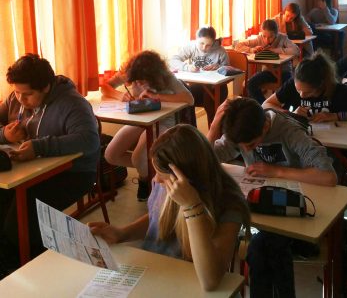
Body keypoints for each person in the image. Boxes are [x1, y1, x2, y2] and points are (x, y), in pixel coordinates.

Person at [89, 124, 251, 291]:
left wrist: (192, 207)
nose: (157, 179)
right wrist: (122, 233)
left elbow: (210, 280)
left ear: (185, 177)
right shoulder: (167, 184)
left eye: (161, 174)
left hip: (187, 285)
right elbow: (157, 218)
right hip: (155, 274)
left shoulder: (230, 203)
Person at [207, 97, 337, 297]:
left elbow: (329, 177)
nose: (247, 150)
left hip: (298, 211)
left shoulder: (289, 131)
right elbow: (206, 160)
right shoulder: (241, 131)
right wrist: (216, 123)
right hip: (264, 211)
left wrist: (277, 171)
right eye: (244, 147)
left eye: (251, 144)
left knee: (261, 249)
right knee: (261, 246)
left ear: (266, 125)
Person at [0, 54, 100, 268]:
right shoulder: (15, 96)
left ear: (46, 87)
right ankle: (10, 257)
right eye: (16, 92)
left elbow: (89, 140)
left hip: (73, 173)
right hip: (26, 172)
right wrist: (5, 136)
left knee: (26, 210)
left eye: (27, 94)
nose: (20, 99)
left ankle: (28, 264)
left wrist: (39, 147)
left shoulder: (72, 103)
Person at [104, 50, 194, 201]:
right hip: (140, 118)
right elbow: (105, 87)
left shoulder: (165, 76)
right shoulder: (131, 71)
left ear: (153, 77)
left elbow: (189, 99)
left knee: (138, 157)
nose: (138, 84)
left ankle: (145, 179)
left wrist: (156, 96)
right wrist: (120, 95)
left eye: (142, 81)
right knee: (111, 155)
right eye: (135, 81)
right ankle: (150, 171)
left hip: (163, 120)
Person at [263, 51, 347, 122]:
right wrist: (290, 114)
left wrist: (335, 116)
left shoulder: (337, 90)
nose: (302, 95)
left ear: (321, 85)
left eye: (308, 92)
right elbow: (266, 105)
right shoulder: (292, 84)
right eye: (298, 90)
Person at [169, 26, 229, 126]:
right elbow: (173, 60)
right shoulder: (191, 47)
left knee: (208, 99)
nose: (204, 48)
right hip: (198, 86)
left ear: (213, 42)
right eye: (201, 43)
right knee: (184, 98)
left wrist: (219, 67)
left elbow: (228, 69)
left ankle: (213, 131)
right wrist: (187, 67)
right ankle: (191, 131)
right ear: (196, 39)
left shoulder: (220, 51)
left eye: (208, 45)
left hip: (218, 88)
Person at [235, 19, 300, 104]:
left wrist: (276, 50)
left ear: (276, 34)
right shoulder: (259, 39)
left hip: (284, 72)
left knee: (289, 88)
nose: (267, 40)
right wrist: (252, 49)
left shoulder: (283, 38)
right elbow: (238, 46)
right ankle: (264, 106)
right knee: (250, 84)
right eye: (264, 36)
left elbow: (296, 50)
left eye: (270, 37)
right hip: (268, 72)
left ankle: (283, 111)